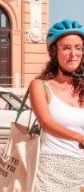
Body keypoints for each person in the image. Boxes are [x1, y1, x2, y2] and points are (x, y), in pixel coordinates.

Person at [29, 19, 84, 191]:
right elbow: (46, 122)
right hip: (49, 173)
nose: (73, 54)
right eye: (66, 48)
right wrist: (79, 137)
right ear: (55, 52)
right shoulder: (40, 85)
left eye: (78, 48)